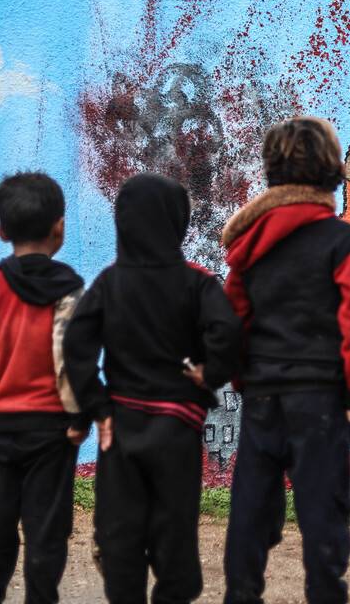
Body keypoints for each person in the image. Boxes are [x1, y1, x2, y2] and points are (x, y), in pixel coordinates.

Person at [221, 117, 350, 604]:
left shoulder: (248, 244)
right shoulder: (344, 241)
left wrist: (244, 379)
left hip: (264, 394)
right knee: (322, 511)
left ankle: (242, 595)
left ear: (272, 173)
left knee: (250, 507)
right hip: (322, 398)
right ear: (332, 172)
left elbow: (233, 318)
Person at [63, 173, 241, 603]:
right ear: (177, 223)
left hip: (119, 427)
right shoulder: (196, 282)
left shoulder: (109, 283)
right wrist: (208, 374)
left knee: (120, 535)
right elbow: (229, 333)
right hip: (176, 428)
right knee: (174, 529)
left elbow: (76, 344)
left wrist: (97, 406)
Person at [0, 171, 88, 604]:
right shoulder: (69, 290)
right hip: (52, 429)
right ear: (59, 227)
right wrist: (77, 414)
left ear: (2, 231)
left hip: (3, 426)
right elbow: (68, 354)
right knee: (46, 524)